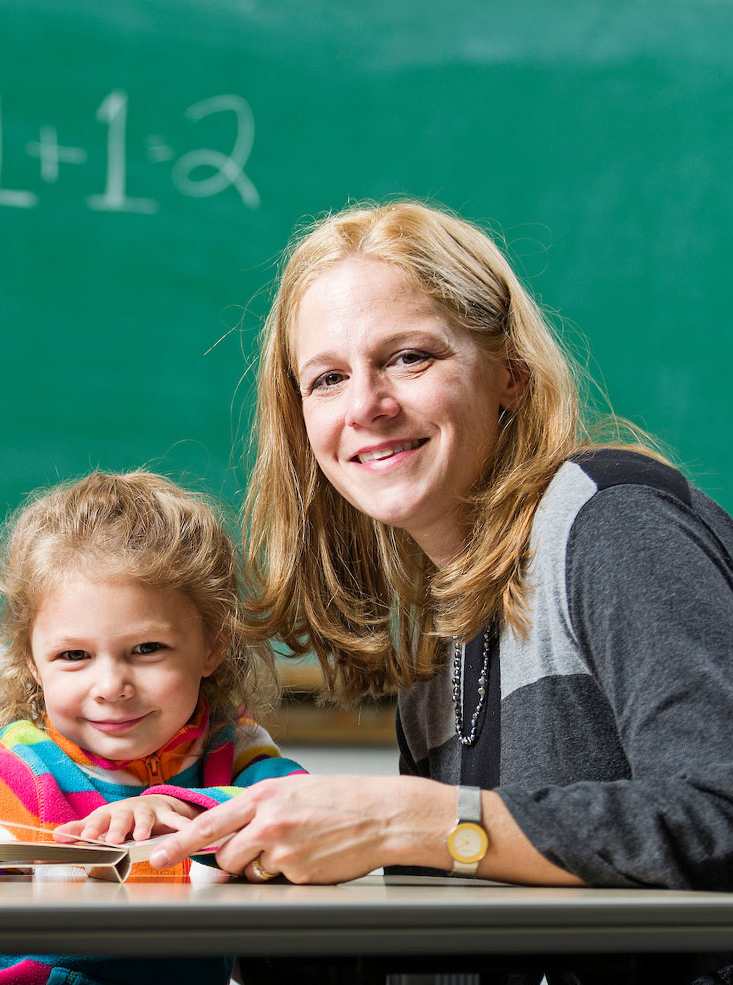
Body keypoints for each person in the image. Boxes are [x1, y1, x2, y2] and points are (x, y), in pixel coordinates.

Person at [149, 200, 733, 977]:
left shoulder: (610, 520)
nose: (366, 405)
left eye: (410, 357)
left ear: (510, 376)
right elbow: (461, 933)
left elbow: (718, 817)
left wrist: (419, 821)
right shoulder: (442, 631)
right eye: (327, 378)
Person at [0, 470, 305, 985]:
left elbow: (308, 812)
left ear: (212, 645)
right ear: (32, 663)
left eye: (147, 649)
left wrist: (178, 805)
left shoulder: (228, 744)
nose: (110, 686)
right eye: (73, 655)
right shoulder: (14, 775)